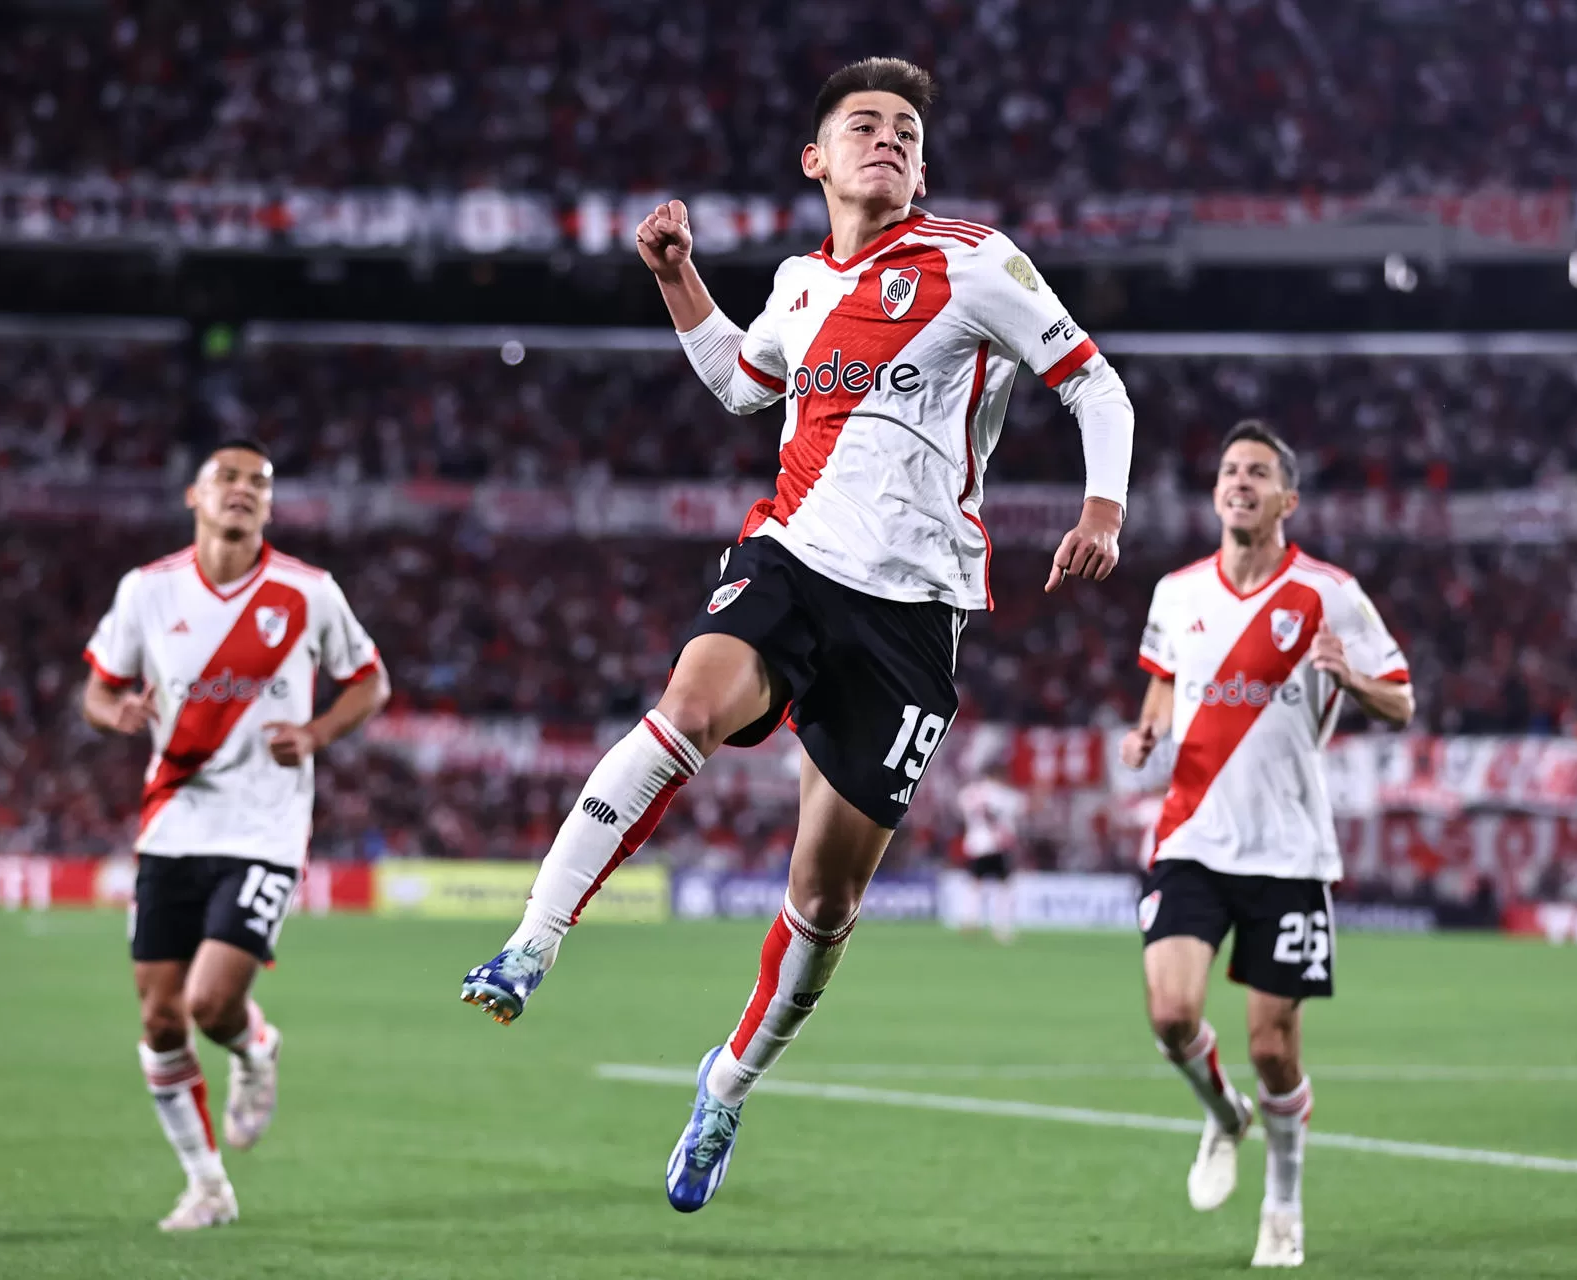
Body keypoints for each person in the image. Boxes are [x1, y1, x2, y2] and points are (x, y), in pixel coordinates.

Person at [458, 56, 1135, 1212]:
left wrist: (1102, 508)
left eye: (907, 129)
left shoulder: (975, 260)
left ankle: (726, 1083)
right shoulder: (799, 281)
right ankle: (532, 937)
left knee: (824, 907)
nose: (889, 139)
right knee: (688, 705)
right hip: (792, 558)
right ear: (816, 160)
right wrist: (678, 279)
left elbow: (1095, 384)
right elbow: (741, 383)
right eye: (863, 124)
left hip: (918, 611)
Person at [1119, 421, 1413, 1269]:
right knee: (1172, 1014)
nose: (1238, 481)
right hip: (1191, 837)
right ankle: (1221, 1115)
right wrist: (1146, 735)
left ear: (1288, 499)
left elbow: (1402, 702)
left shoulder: (1331, 594)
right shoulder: (1176, 593)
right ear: (1215, 492)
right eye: (1228, 470)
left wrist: (1350, 677)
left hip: (1288, 850)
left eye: (1257, 473)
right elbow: (1165, 685)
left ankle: (1282, 1203)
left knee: (1273, 1049)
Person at [81, 441, 389, 1231]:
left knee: (212, 1002)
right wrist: (111, 711)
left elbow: (371, 681)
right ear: (195, 495)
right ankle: (207, 1186)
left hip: (265, 828)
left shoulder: (307, 592)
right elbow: (99, 685)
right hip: (171, 824)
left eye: (260, 483)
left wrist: (317, 733)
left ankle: (254, 1047)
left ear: (271, 506)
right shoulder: (147, 591)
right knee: (159, 1020)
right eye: (229, 479)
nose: (244, 492)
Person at [955, 766, 1026, 942]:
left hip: (976, 845)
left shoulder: (969, 792)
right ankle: (1001, 927)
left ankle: (970, 921)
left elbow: (963, 806)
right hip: (996, 845)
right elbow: (1016, 809)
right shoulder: (1003, 795)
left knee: (975, 885)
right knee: (1004, 887)